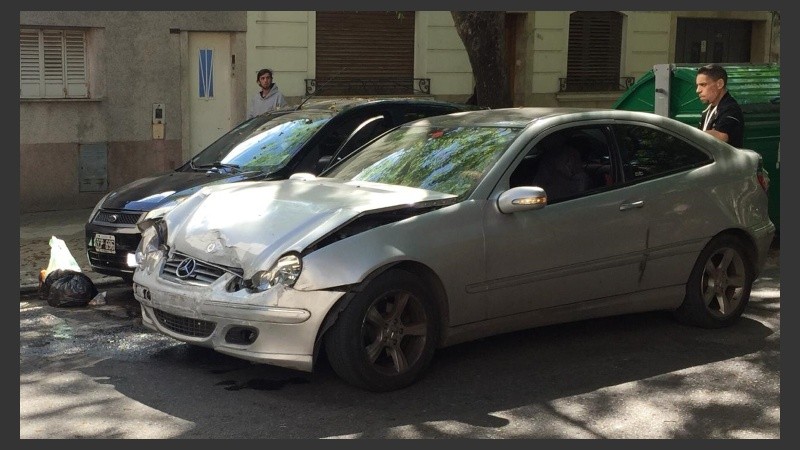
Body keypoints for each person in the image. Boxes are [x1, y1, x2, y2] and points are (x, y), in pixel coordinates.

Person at [695, 64, 744, 147]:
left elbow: (721, 136)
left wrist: (687, 135)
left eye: (703, 85)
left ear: (719, 84)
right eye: (697, 85)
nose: (698, 90)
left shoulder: (731, 109)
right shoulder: (707, 110)